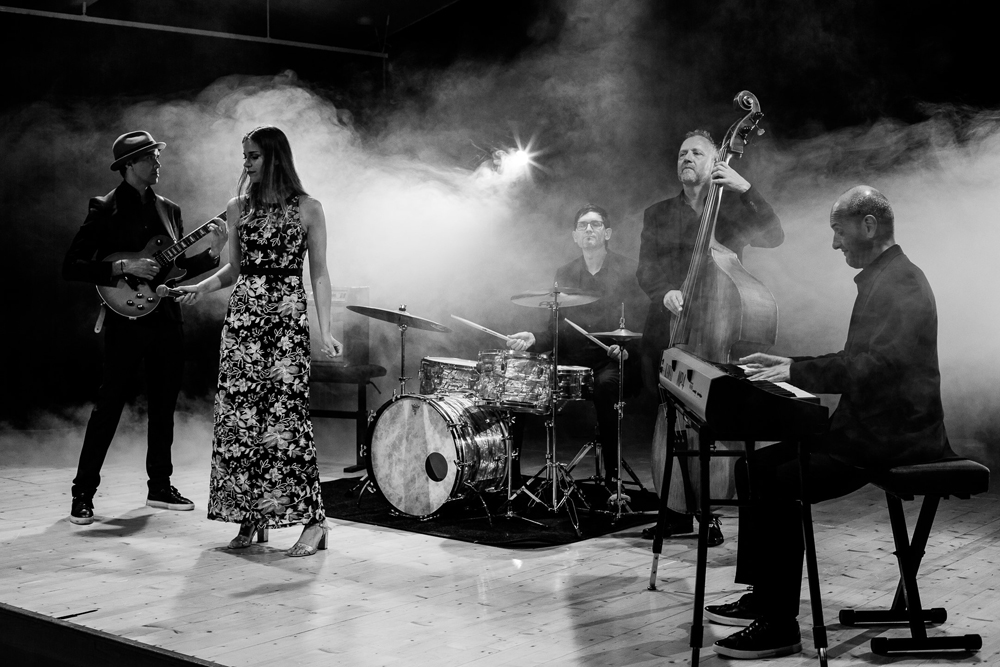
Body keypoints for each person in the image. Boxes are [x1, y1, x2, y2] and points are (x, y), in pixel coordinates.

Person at [705, 186, 950, 660]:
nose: (835, 243)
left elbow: (876, 366)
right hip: (869, 429)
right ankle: (763, 597)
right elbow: (856, 358)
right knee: (753, 468)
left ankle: (779, 625)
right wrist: (790, 364)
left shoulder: (902, 282)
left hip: (894, 439)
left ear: (868, 226)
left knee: (779, 481)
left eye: (838, 231)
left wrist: (796, 372)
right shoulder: (885, 277)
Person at [176, 126, 342, 557]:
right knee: (240, 421)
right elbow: (234, 270)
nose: (246, 163)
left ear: (274, 157)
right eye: (244, 156)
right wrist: (199, 288)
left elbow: (319, 273)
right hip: (243, 322)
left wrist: (325, 329)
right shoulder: (239, 207)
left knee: (285, 424)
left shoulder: (309, 208)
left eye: (253, 155)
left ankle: (315, 522)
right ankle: (252, 516)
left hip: (285, 322)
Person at [63, 131, 227, 525]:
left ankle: (160, 486)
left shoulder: (170, 209)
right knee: (109, 406)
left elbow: (177, 268)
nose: (158, 163)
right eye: (150, 157)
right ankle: (82, 493)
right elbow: (73, 265)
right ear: (129, 165)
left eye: (157, 156)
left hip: (165, 317)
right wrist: (123, 266)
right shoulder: (104, 207)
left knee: (164, 405)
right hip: (124, 319)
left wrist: (214, 252)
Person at [636, 129, 784, 541]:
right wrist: (664, 291)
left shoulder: (732, 207)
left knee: (713, 419)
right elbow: (646, 268)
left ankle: (709, 511)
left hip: (719, 329)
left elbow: (774, 236)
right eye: (682, 153)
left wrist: (746, 188)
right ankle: (674, 510)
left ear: (717, 160)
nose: (686, 158)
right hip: (672, 329)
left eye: (696, 153)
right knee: (670, 417)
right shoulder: (658, 213)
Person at [507, 204, 646, 491]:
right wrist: (533, 339)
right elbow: (554, 330)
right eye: (582, 225)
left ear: (607, 233)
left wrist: (626, 348)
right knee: (521, 380)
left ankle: (613, 480)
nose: (589, 230)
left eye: (595, 224)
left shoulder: (628, 269)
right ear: (574, 236)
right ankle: (512, 476)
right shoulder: (565, 272)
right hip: (572, 359)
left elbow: (641, 321)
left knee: (606, 386)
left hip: (611, 360)